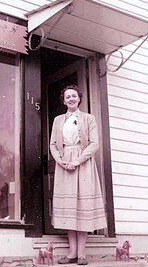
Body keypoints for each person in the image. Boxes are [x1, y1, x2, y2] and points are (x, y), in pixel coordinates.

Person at [50, 85, 107, 265]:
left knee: (82, 206)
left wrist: (77, 161)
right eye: (68, 97)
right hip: (64, 164)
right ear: (64, 100)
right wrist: (60, 161)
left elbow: (94, 144)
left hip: (82, 165)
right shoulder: (58, 120)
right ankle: (72, 252)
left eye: (74, 96)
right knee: (69, 208)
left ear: (79, 98)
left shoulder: (89, 118)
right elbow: (52, 144)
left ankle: (81, 253)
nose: (71, 99)